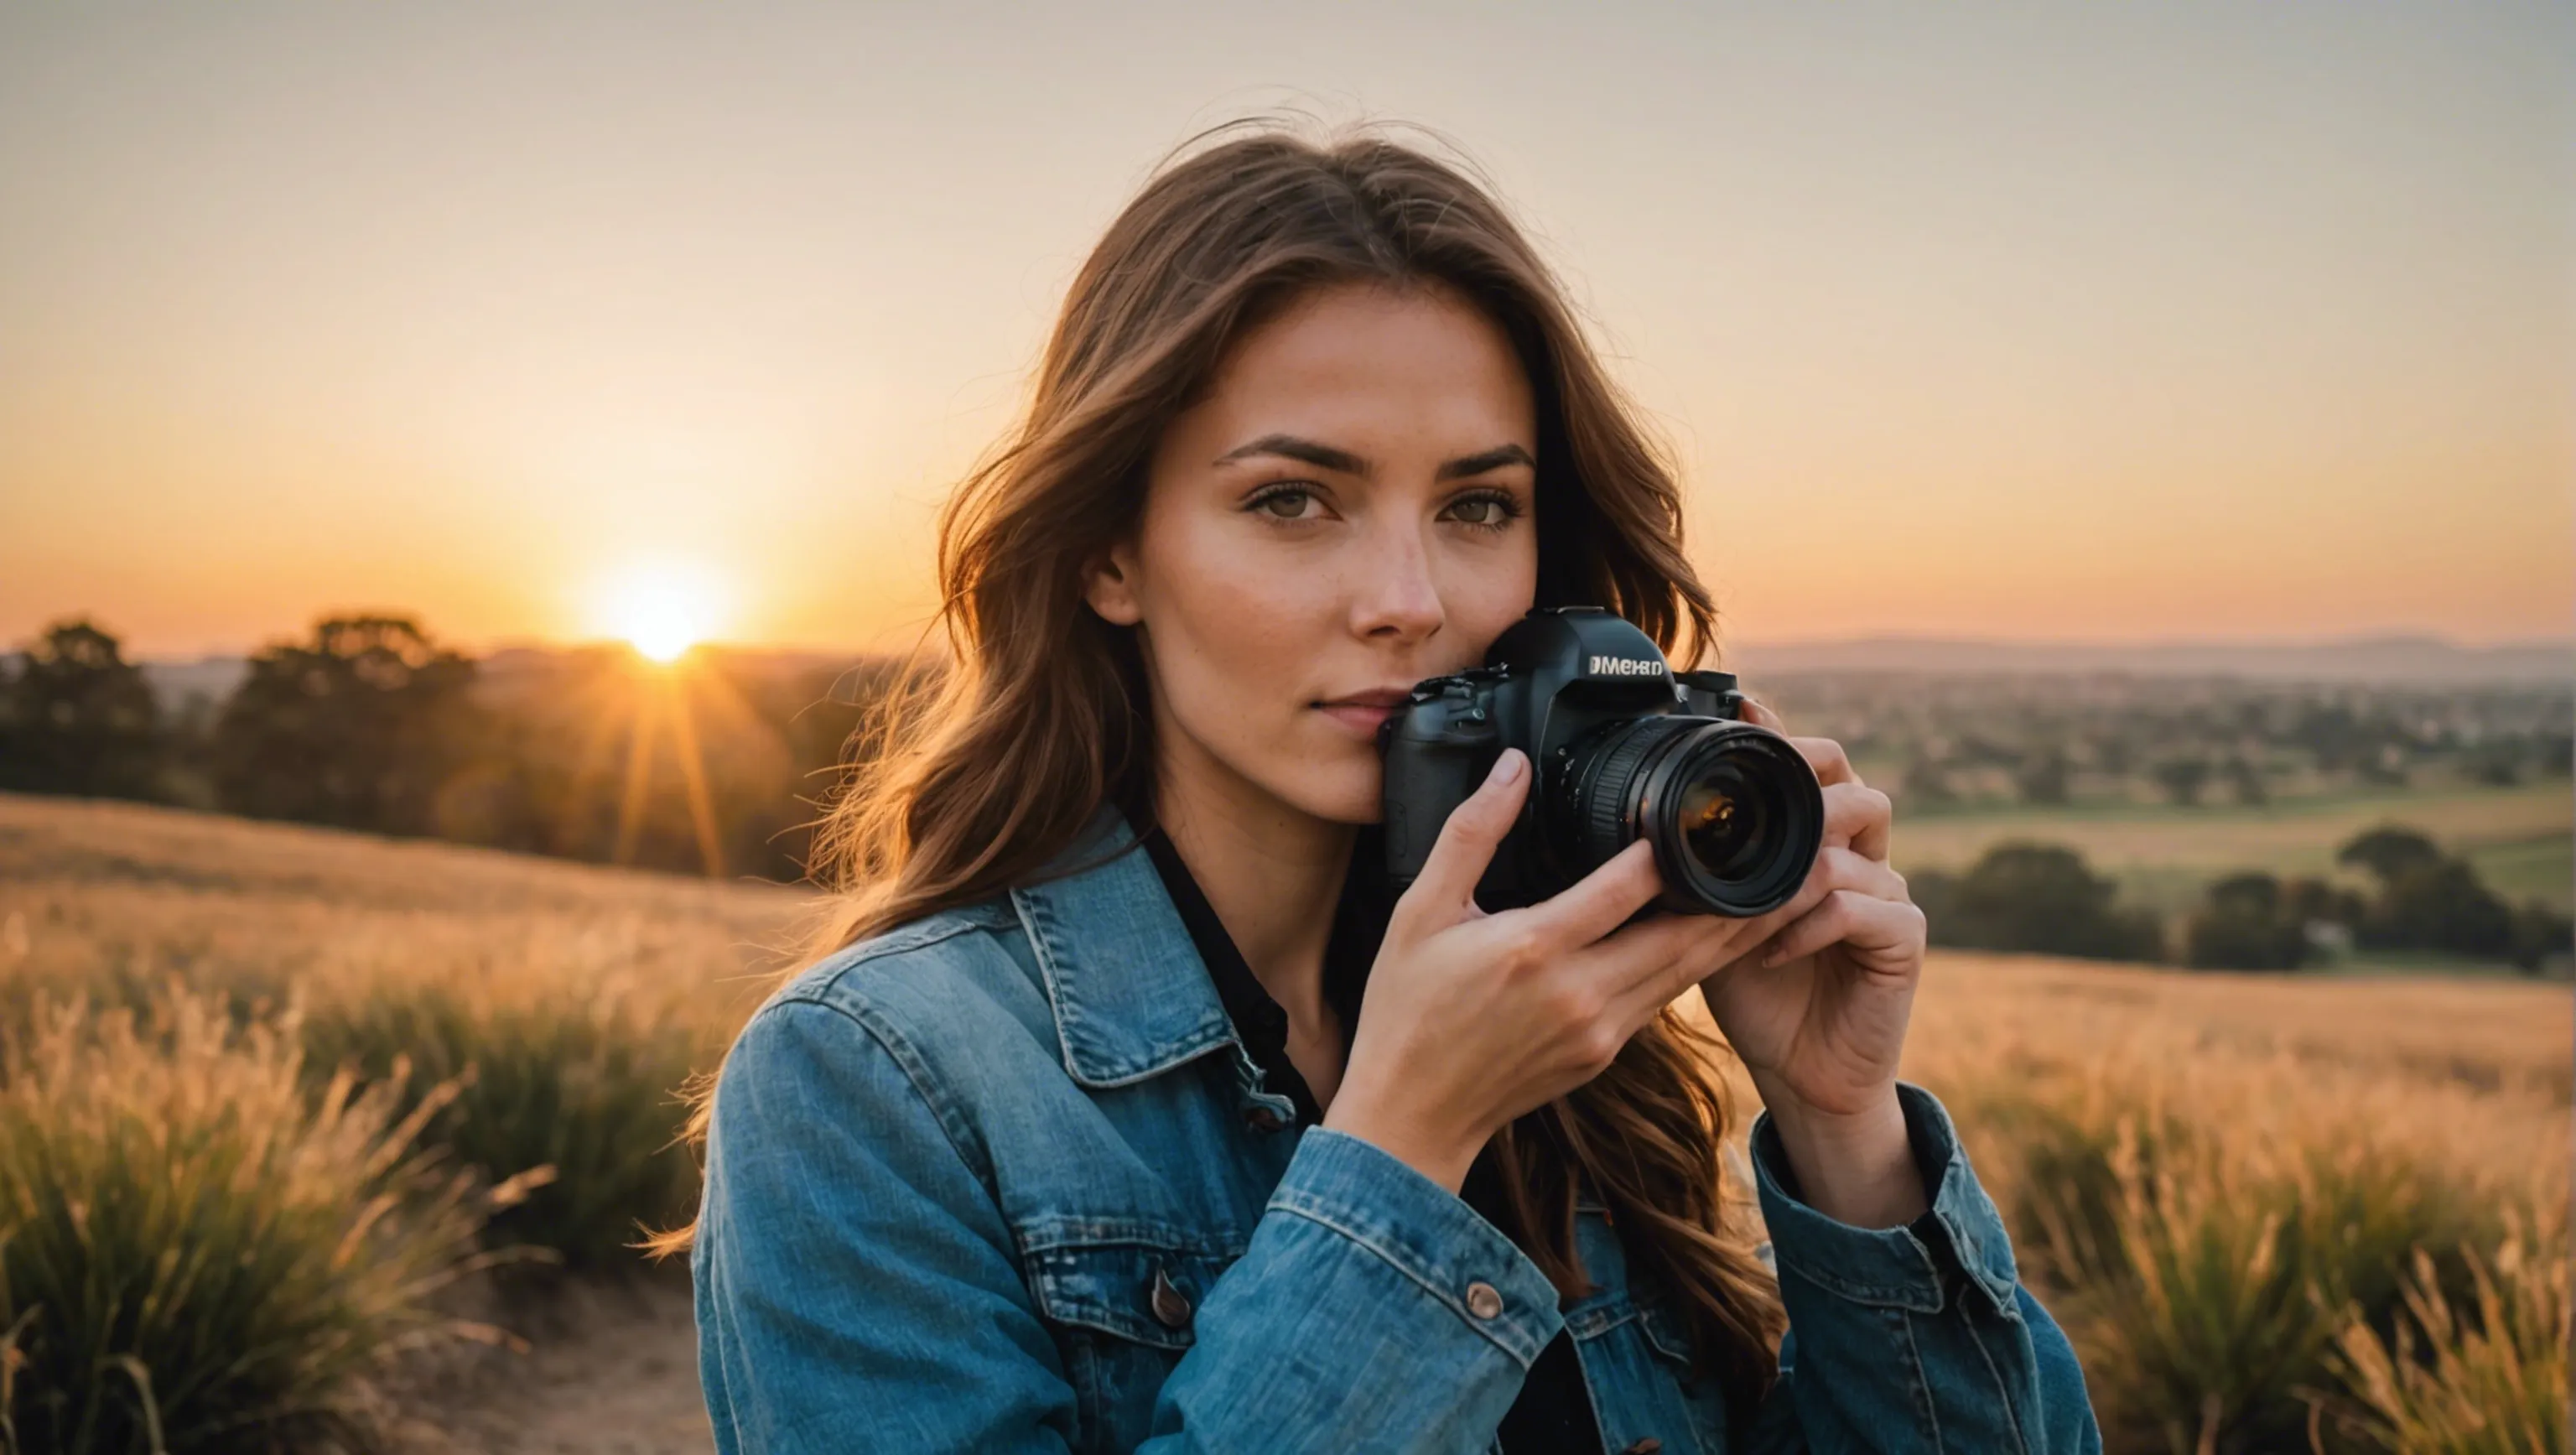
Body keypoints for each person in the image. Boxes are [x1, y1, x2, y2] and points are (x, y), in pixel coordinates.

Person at [669, 122, 2100, 1454]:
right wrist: (1406, 1148)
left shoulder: (1581, 1042)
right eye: (1293, 500)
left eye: (1479, 507)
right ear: (1111, 553)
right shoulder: (875, 1084)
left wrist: (1842, 1129)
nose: (1410, 601)